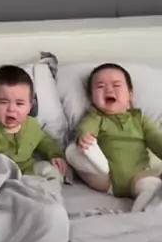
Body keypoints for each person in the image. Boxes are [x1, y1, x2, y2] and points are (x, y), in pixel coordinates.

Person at [65, 63, 162, 205]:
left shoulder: (139, 119)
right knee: (73, 150)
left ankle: (141, 212)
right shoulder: (96, 116)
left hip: (138, 173)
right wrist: (85, 136)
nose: (109, 90)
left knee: (152, 187)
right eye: (100, 87)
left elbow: (156, 139)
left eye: (116, 85)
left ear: (130, 95)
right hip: (105, 178)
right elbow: (86, 127)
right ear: (92, 98)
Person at [0, 65, 68, 184]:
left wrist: (55, 155)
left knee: (50, 171)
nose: (11, 109)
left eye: (19, 104)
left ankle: (45, 191)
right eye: (3, 102)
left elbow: (44, 141)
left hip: (29, 170)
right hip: (0, 175)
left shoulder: (32, 125)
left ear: (30, 105)